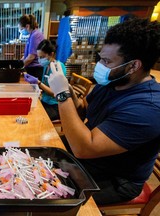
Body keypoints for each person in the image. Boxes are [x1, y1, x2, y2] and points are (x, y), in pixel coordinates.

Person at [47, 18, 160, 205]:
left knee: (50, 197)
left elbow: (84, 148)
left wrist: (61, 95)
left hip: (117, 178)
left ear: (133, 66)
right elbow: (83, 112)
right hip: (92, 157)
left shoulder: (148, 108)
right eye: (101, 58)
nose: (99, 65)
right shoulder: (112, 82)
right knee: (38, 157)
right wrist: (67, 90)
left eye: (107, 61)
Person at [24, 40, 67, 121]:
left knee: (35, 118)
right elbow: (45, 87)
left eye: (42, 57)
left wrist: (38, 83)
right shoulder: (46, 66)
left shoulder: (59, 67)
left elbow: (56, 94)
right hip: (45, 101)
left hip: (55, 106)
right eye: (38, 57)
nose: (40, 60)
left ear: (51, 54)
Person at [18, 14, 44, 81]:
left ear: (27, 26)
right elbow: (27, 54)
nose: (21, 31)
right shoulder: (32, 35)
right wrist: (19, 62)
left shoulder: (35, 35)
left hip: (35, 69)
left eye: (21, 29)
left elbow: (31, 57)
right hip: (32, 68)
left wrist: (19, 67)